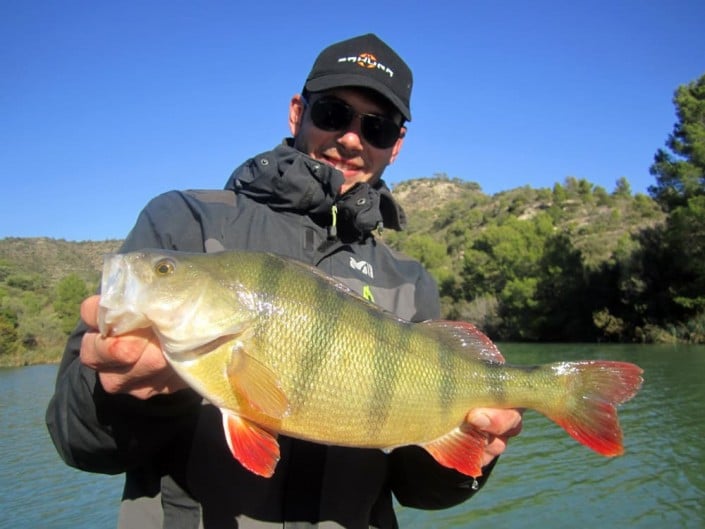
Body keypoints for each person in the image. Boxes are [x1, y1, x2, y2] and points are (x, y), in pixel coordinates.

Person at [46, 33, 523, 529]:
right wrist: (129, 395)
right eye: (334, 114)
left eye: (377, 127)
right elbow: (77, 441)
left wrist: (476, 452)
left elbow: (416, 488)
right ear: (298, 112)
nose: (352, 139)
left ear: (396, 146)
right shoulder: (186, 223)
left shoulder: (409, 280)